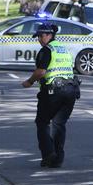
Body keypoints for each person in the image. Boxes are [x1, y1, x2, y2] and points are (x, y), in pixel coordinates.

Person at [21, 23, 80, 168]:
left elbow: (41, 71)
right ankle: (58, 159)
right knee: (59, 124)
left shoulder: (47, 50)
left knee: (42, 122)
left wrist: (29, 82)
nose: (39, 39)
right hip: (71, 90)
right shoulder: (63, 48)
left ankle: (48, 154)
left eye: (41, 36)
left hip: (54, 91)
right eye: (38, 37)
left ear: (49, 35)